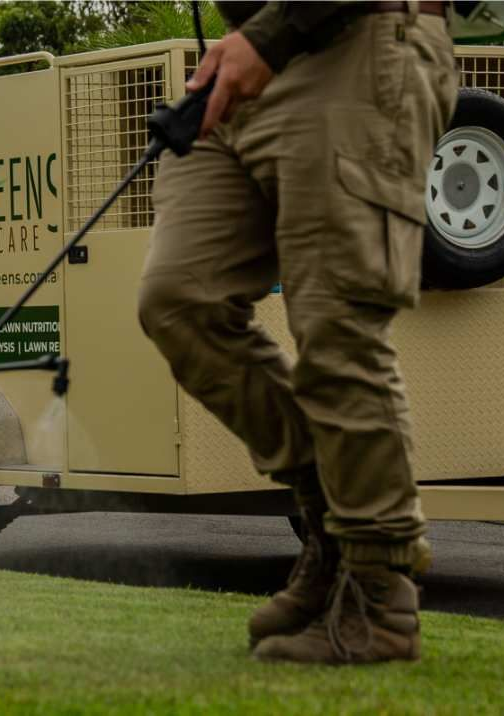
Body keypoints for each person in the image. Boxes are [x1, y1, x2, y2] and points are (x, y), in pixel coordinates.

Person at [137, 1, 458, 665]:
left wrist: (267, 35)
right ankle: (330, 524)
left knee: (337, 329)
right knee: (177, 298)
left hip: (356, 40)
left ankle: (377, 594)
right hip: (250, 59)